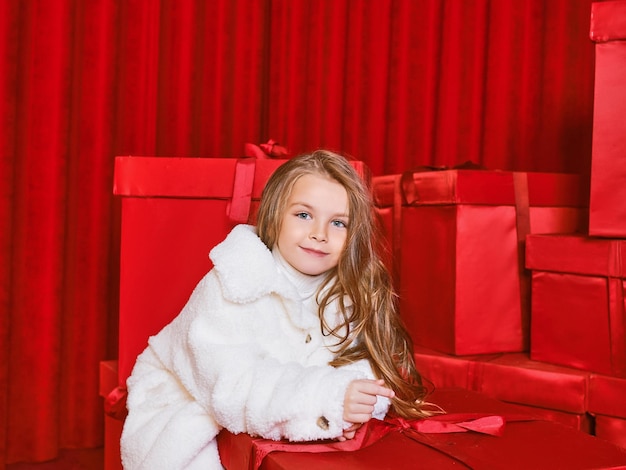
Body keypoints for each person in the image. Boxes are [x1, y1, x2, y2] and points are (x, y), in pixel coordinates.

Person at [120, 150, 430, 469]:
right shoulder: (233, 280)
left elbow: (367, 369)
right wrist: (328, 398)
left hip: (270, 407)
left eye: (338, 223)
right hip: (189, 402)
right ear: (275, 214)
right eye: (303, 215)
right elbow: (233, 384)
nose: (319, 234)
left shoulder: (348, 294)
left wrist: (355, 401)